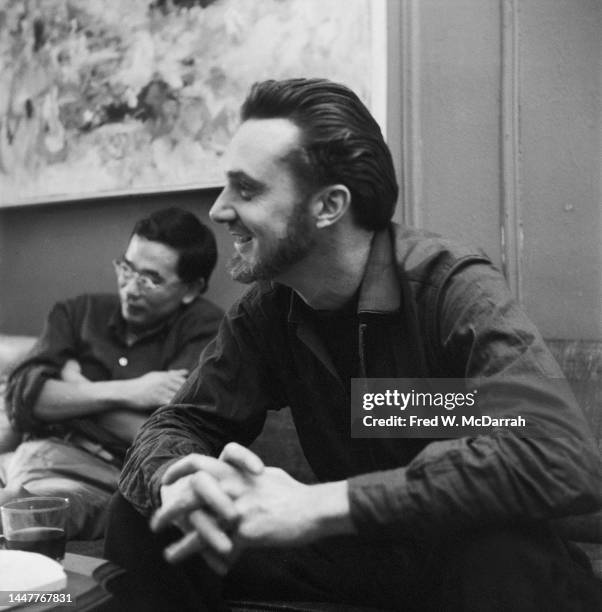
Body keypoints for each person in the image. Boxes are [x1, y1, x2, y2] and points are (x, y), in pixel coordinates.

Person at [106, 79, 602, 611]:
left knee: (499, 552)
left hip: (477, 560)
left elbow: (561, 455)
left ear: (329, 205)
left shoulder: (449, 286)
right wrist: (175, 481)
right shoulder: (269, 308)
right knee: (150, 514)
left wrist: (321, 504)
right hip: (365, 557)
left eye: (246, 190)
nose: (218, 210)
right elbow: (180, 422)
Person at [1, 207, 223, 538]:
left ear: (191, 288)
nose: (130, 288)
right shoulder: (77, 313)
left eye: (150, 279)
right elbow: (21, 402)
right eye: (127, 269)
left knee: (20, 508)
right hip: (22, 457)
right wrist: (130, 391)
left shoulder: (206, 332)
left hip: (102, 477)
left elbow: (165, 438)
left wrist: (72, 391)